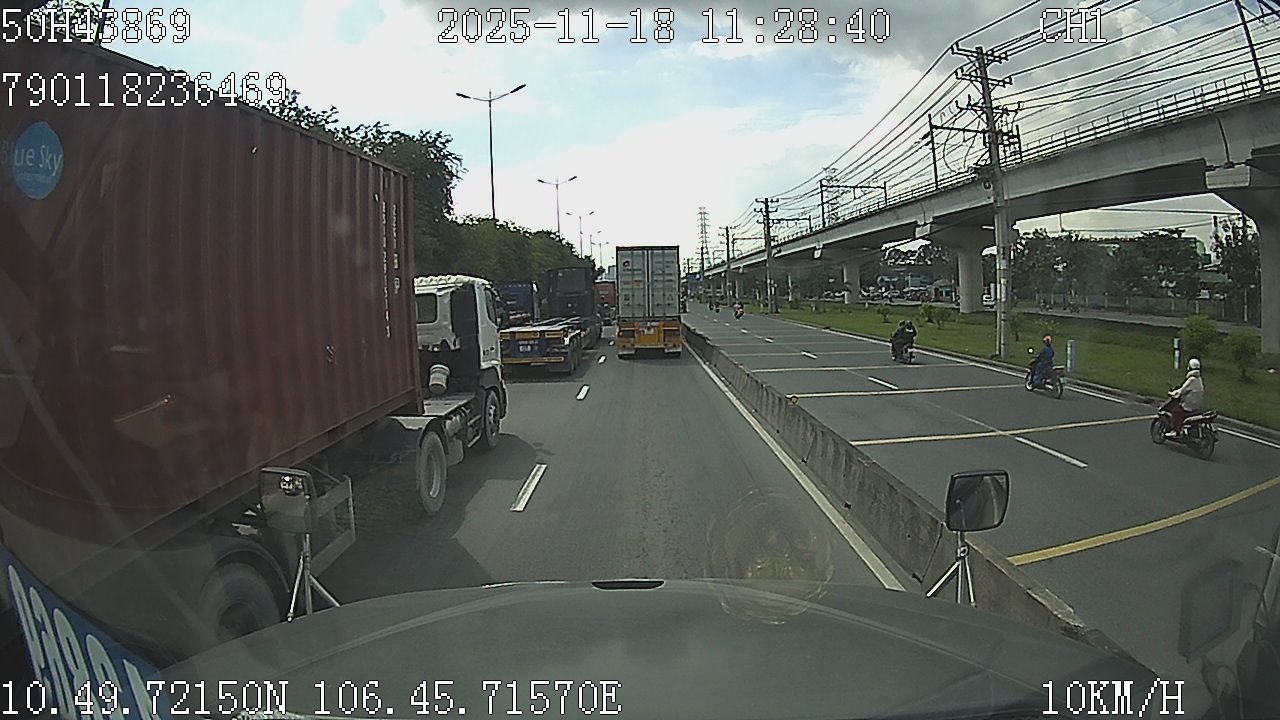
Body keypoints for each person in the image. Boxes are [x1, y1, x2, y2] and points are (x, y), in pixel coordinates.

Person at [1167, 358, 1204, 434]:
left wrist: (1173, 393)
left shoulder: (1191, 380)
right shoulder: (1199, 379)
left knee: (1176, 411)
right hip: (1196, 405)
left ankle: (1175, 430)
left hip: (1188, 405)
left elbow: (1182, 390)